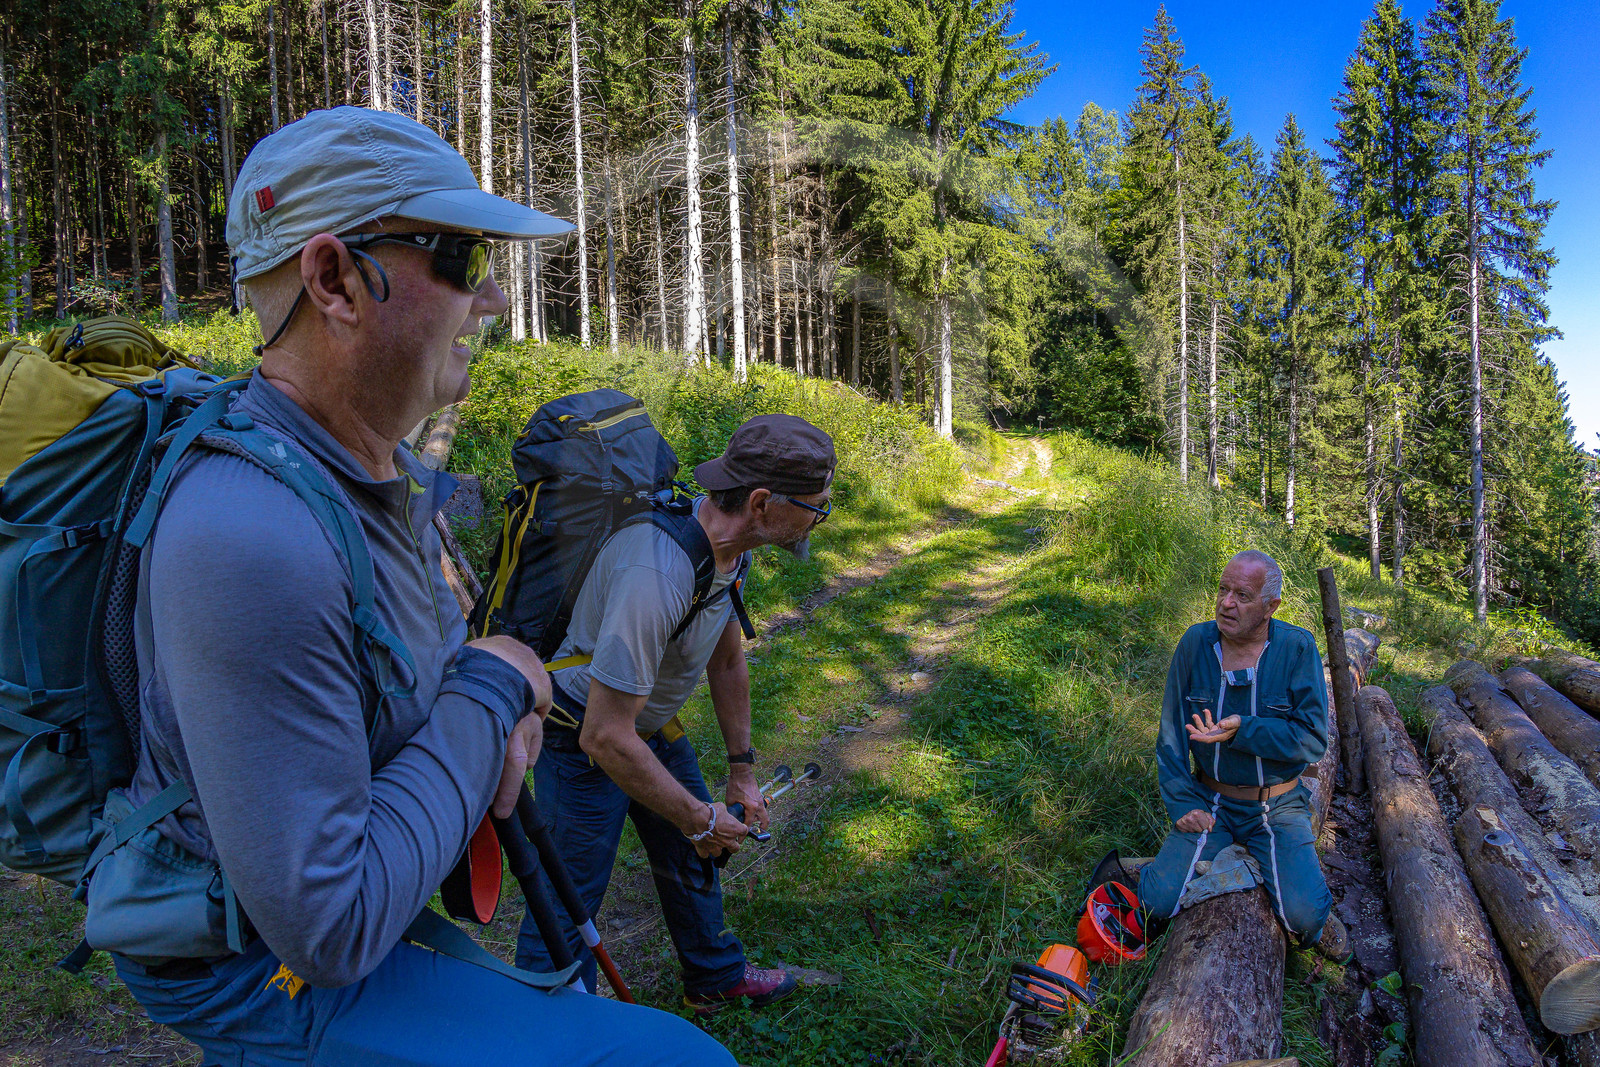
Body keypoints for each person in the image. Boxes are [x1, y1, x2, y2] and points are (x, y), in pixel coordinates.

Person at [84, 106, 735, 1067]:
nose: (494, 299)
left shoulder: (365, 474)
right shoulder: (251, 532)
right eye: (462, 259)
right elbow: (331, 925)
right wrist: (496, 688)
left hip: (304, 918)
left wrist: (482, 698)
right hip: (246, 959)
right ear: (335, 280)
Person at [515, 414, 837, 1014]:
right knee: (567, 898)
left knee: (695, 850)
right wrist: (699, 816)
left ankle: (714, 977)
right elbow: (604, 736)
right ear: (761, 502)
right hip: (582, 733)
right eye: (815, 506)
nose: (820, 517)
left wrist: (741, 772)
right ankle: (549, 1025)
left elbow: (727, 661)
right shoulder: (657, 572)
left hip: (647, 726)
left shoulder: (728, 552)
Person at [1136, 550, 1346, 957]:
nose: (1226, 603)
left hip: (1277, 805)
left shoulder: (1296, 648)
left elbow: (1312, 739)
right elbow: (1171, 732)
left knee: (1305, 918)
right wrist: (1182, 801)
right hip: (1210, 799)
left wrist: (1244, 730)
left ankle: (1298, 888)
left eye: (1242, 596)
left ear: (1271, 607)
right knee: (1154, 904)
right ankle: (1158, 867)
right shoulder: (1196, 644)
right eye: (1223, 590)